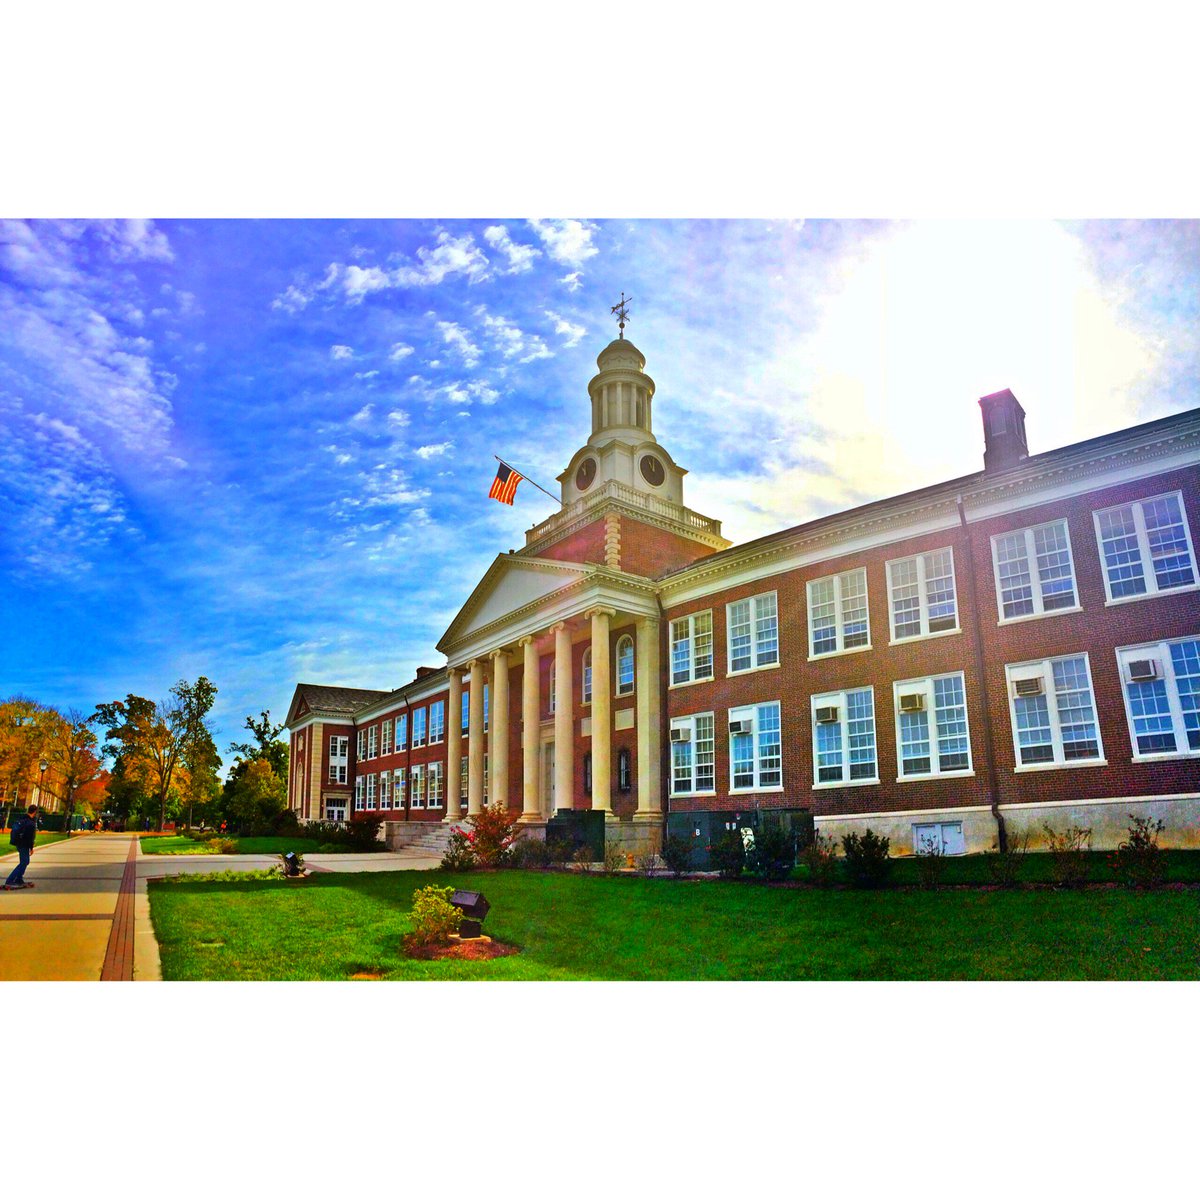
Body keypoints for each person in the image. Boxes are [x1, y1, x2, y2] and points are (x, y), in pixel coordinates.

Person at [4, 804, 39, 891]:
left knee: (24, 862)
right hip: (24, 844)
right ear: (34, 812)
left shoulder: (22, 819)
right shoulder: (31, 823)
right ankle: (10, 880)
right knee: (24, 862)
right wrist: (31, 848)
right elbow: (29, 837)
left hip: (18, 843)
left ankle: (19, 879)